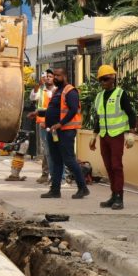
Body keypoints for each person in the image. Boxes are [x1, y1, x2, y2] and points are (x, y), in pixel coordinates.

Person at [88, 64, 138, 210]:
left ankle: (119, 198)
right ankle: (113, 194)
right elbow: (99, 117)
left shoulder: (120, 94)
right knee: (108, 167)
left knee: (116, 166)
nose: (103, 82)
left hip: (116, 136)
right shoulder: (99, 96)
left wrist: (131, 133)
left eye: (105, 79)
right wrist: (94, 135)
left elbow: (131, 113)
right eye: (100, 80)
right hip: (104, 136)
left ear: (112, 78)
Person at [39, 68, 90, 199]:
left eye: (58, 75)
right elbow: (54, 110)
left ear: (65, 76)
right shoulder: (57, 91)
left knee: (69, 160)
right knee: (56, 161)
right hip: (54, 131)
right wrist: (38, 114)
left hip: (65, 132)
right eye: (54, 75)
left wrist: (60, 124)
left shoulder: (70, 91)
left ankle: (83, 188)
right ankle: (55, 190)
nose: (55, 77)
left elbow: (73, 110)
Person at [27, 70, 55, 184]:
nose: (48, 78)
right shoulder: (41, 90)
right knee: (47, 150)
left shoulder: (57, 91)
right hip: (43, 124)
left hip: (55, 125)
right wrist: (38, 85)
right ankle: (46, 174)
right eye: (46, 76)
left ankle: (54, 175)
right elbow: (32, 97)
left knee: (53, 150)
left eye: (50, 76)